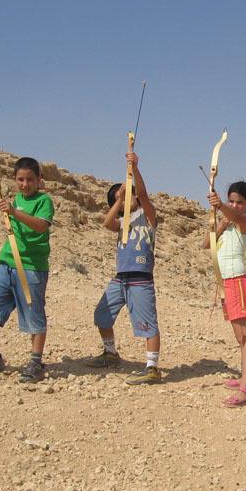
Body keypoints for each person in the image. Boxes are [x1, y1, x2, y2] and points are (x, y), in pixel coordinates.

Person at [0, 156, 55, 383]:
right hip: (7, 264)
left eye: (29, 180)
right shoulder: (15, 199)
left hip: (31, 267)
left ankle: (36, 362)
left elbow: (40, 226)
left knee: (34, 316)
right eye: (20, 180)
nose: (24, 184)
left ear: (39, 180)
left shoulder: (44, 201)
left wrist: (14, 212)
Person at [85, 151, 162, 385]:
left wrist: (134, 169)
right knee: (102, 314)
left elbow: (144, 195)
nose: (129, 199)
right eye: (122, 198)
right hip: (121, 279)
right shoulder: (120, 223)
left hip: (140, 279)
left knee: (147, 324)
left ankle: (152, 367)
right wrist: (119, 199)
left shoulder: (147, 217)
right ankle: (110, 354)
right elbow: (106, 222)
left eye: (130, 195)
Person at [203, 182, 246, 407]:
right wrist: (221, 222)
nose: (235, 205)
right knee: (239, 335)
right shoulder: (228, 224)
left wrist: (224, 209)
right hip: (226, 283)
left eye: (240, 202)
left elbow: (238, 217)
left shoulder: (245, 223)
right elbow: (206, 243)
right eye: (231, 201)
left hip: (237, 281)